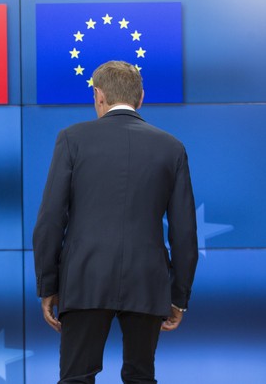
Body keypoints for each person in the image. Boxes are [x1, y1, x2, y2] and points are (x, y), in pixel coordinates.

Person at [33, 61, 198, 383]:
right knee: (140, 376)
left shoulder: (72, 139)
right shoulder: (171, 147)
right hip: (147, 281)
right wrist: (179, 296)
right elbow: (184, 232)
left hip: (84, 278)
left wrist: (48, 285)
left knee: (76, 378)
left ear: (98, 96)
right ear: (141, 97)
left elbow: (50, 220)